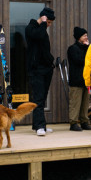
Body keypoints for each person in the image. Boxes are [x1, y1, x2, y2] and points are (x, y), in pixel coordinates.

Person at [25, 7, 56, 136]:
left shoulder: (42, 29)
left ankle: (40, 124)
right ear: (43, 18)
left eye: (49, 23)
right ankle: (39, 126)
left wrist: (50, 62)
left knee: (42, 98)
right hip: (36, 70)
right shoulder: (31, 28)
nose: (48, 25)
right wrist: (43, 23)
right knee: (38, 98)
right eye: (48, 22)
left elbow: (45, 49)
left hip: (46, 69)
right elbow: (38, 36)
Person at [67, 27, 91, 131]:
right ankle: (73, 122)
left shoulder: (88, 48)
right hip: (76, 80)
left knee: (85, 103)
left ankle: (84, 121)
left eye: (86, 35)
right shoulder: (72, 49)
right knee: (75, 103)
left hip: (86, 80)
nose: (86, 37)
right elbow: (80, 60)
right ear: (78, 38)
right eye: (84, 35)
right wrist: (87, 48)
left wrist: (88, 48)